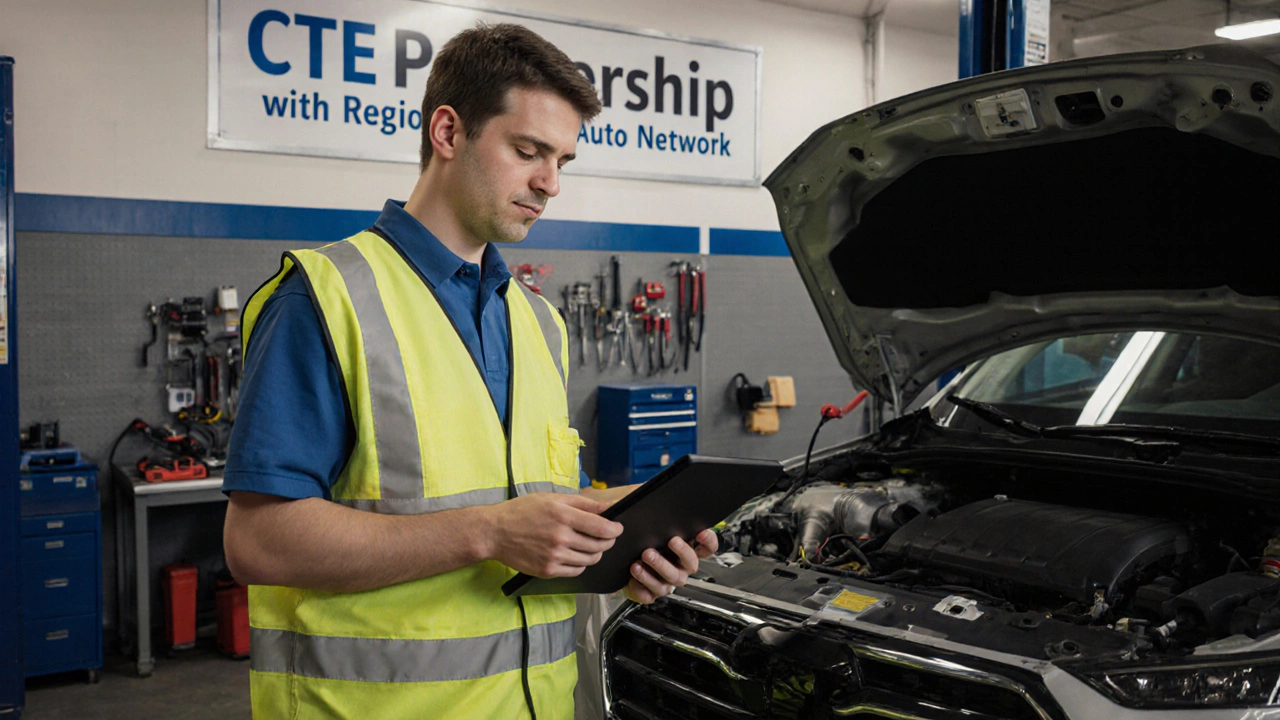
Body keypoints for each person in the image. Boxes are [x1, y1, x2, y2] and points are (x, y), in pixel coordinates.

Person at [221, 23, 716, 719]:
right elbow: (257, 542)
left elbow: (538, 511)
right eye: (528, 151)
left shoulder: (538, 321)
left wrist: (630, 536)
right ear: (447, 133)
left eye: (563, 162)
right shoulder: (327, 297)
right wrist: (486, 532)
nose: (549, 184)